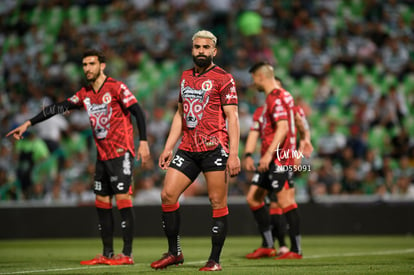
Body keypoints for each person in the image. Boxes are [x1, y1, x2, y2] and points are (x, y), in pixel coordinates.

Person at [7, 49, 150, 266]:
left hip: (121, 153)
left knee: (123, 200)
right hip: (102, 157)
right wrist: (28, 123)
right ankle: (107, 253)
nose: (87, 69)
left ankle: (127, 254)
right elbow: (58, 107)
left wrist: (144, 142)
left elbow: (138, 111)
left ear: (102, 65)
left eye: (91, 64)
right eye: (84, 65)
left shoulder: (116, 87)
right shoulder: (85, 93)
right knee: (101, 202)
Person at [150, 30, 240, 272]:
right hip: (188, 148)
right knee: (168, 195)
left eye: (205, 47)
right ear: (192, 50)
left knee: (217, 201)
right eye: (197, 47)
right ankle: (174, 252)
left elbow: (233, 117)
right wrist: (169, 147)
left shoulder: (224, 78)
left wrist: (234, 153)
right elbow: (180, 113)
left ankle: (214, 260)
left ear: (214, 51)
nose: (201, 51)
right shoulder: (185, 77)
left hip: (215, 148)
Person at [242, 62, 303, 260]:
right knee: (254, 197)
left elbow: (286, 128)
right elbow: (255, 133)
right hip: (270, 158)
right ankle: (268, 245)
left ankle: (294, 249)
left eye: (254, 79)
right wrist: (249, 154)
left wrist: (297, 151)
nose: (254, 83)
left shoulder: (277, 98)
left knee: (284, 201)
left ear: (261, 77)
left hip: (280, 157)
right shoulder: (270, 103)